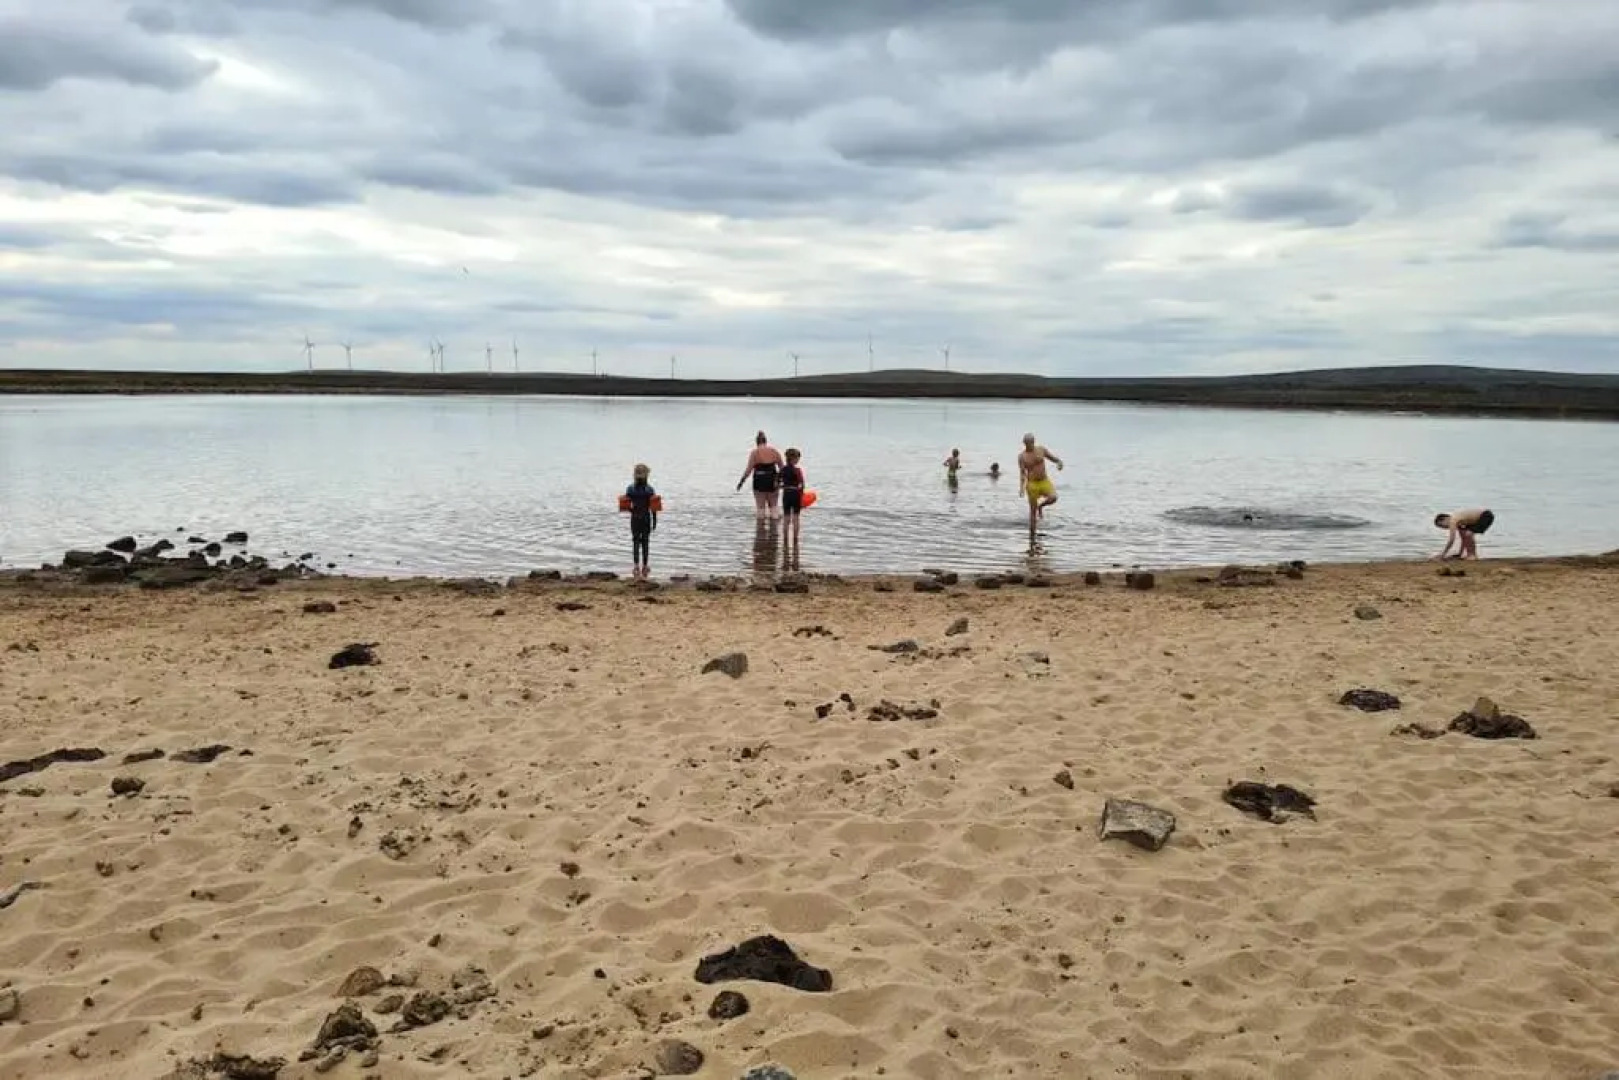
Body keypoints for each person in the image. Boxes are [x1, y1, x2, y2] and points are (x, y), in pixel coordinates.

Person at [1017, 432, 1064, 551]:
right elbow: (1022, 473)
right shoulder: (1022, 456)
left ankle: (1041, 506)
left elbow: (1053, 458)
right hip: (1032, 484)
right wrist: (1022, 487)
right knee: (1032, 513)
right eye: (1027, 443)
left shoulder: (1041, 450)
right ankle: (1032, 539)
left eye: (1031, 442)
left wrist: (1059, 462)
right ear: (1024, 443)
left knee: (1053, 497)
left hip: (1044, 481)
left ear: (1034, 441)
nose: (1029, 445)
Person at [736, 430, 784, 521]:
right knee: (774, 507)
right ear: (766, 441)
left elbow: (748, 470)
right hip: (772, 481)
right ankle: (775, 527)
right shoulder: (774, 451)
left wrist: (741, 482)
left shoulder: (755, 452)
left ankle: (760, 527)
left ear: (757, 442)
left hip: (759, 481)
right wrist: (780, 480)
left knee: (760, 508)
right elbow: (782, 468)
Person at [625, 463, 658, 580]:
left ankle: (635, 566)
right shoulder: (650, 490)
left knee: (635, 541)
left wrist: (632, 511)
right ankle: (645, 565)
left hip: (635, 518)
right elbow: (654, 508)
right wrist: (655, 520)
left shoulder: (630, 489)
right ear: (646, 475)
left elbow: (626, 506)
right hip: (646, 518)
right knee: (645, 542)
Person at [780, 447, 806, 558]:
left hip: (786, 494)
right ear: (794, 458)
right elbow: (802, 485)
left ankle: (785, 539)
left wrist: (784, 486)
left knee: (786, 518)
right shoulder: (798, 470)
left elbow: (776, 484)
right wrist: (802, 496)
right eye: (798, 458)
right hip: (796, 494)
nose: (798, 460)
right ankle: (795, 539)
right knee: (796, 518)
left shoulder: (782, 470)